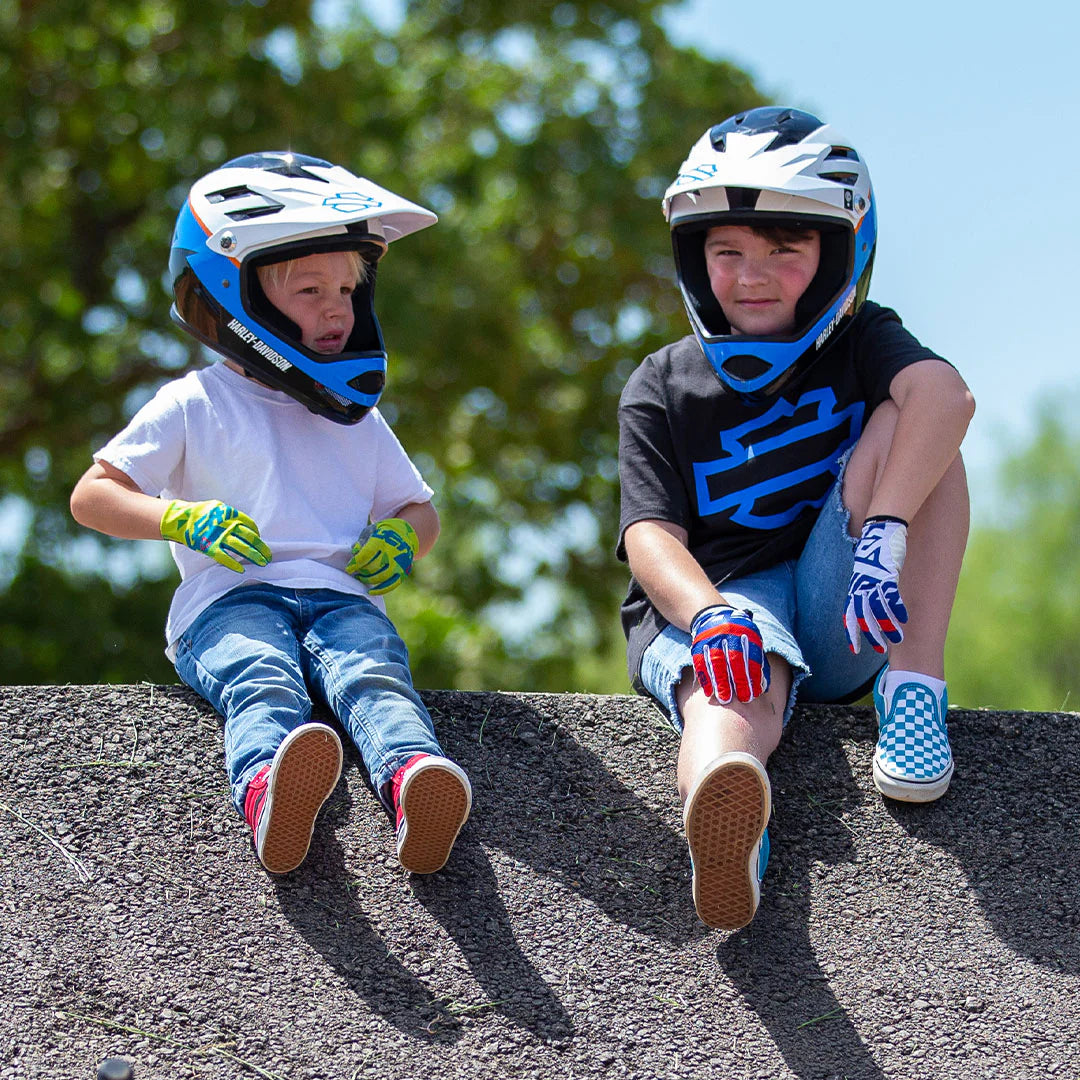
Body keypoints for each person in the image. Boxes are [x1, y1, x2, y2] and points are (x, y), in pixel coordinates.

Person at [616, 108, 974, 931]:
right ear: (695, 258)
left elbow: (948, 398)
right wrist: (707, 616)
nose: (753, 274)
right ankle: (728, 824)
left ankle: (914, 690)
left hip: (850, 602)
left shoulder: (865, 340)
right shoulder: (661, 384)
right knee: (736, 690)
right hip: (719, 606)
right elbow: (648, 536)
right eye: (727, 250)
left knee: (926, 427)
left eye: (786, 248)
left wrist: (884, 532)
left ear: (838, 255)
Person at [71, 152, 471, 877]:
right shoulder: (194, 401)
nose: (337, 309)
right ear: (235, 293)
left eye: (349, 288)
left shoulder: (359, 419)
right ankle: (267, 788)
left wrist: (402, 540)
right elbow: (93, 494)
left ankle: (416, 781)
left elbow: (418, 507)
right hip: (230, 595)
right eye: (311, 287)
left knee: (374, 674)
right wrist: (179, 519)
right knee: (260, 674)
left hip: (341, 594)